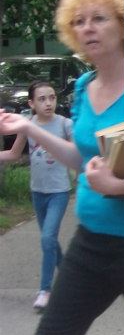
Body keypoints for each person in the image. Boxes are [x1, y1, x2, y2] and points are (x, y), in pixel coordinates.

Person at [0, 0, 124, 335]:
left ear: (123, 22)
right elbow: (82, 158)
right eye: (79, 21)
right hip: (90, 244)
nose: (88, 28)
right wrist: (30, 130)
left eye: (99, 17)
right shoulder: (82, 88)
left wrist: (118, 186)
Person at [0, 80, 73, 310]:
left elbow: (78, 154)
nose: (48, 103)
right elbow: (14, 153)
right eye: (42, 99)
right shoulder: (28, 125)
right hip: (37, 192)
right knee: (49, 241)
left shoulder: (65, 125)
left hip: (59, 192)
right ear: (31, 104)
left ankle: (45, 290)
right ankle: (70, 279)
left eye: (52, 97)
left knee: (47, 238)